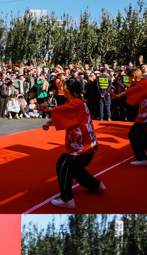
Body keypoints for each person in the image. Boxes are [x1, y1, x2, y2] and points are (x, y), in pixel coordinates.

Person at [41, 78, 104, 209]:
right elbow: (64, 113)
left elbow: (61, 110)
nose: (60, 89)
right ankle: (95, 185)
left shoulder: (77, 103)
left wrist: (49, 110)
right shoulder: (73, 102)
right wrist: (49, 122)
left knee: (63, 166)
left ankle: (67, 199)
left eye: (62, 87)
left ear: (67, 90)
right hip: (84, 142)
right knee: (74, 168)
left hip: (80, 144)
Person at [110, 67, 147, 167]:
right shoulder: (144, 82)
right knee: (142, 131)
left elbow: (132, 90)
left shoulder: (143, 84)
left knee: (133, 134)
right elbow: (133, 89)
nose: (128, 80)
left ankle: (142, 159)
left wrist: (118, 96)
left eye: (129, 78)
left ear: (133, 77)